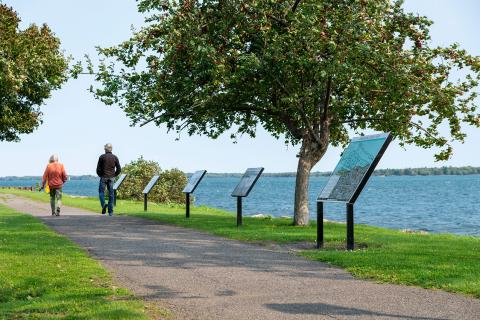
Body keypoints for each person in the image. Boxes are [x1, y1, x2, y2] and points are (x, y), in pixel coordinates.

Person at [96, 143, 121, 216]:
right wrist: (114, 175)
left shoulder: (102, 157)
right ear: (111, 149)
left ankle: (103, 204)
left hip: (103, 177)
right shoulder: (115, 157)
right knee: (111, 194)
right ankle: (110, 212)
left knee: (101, 192)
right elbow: (119, 169)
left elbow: (98, 169)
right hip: (111, 178)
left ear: (105, 149)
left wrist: (100, 175)